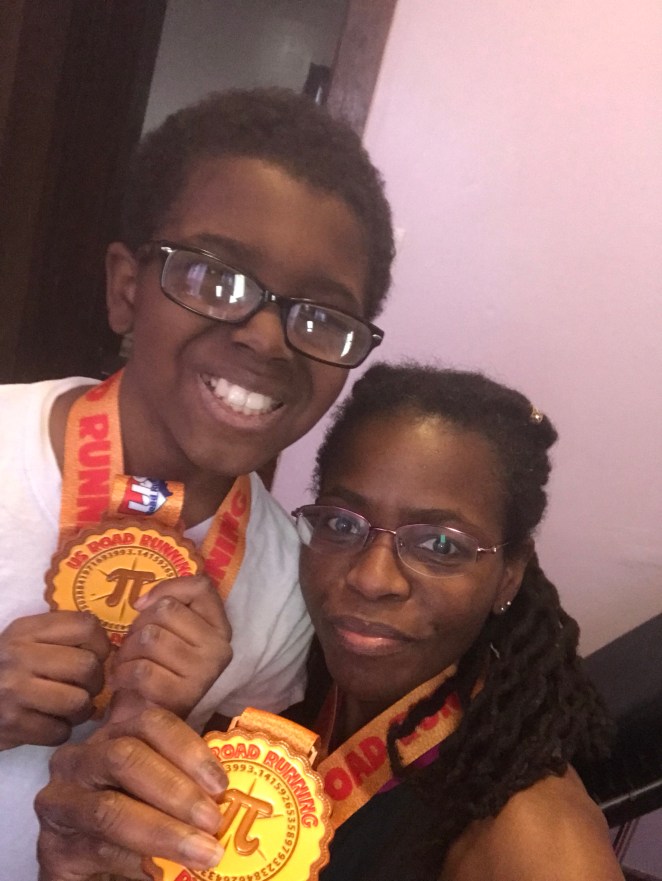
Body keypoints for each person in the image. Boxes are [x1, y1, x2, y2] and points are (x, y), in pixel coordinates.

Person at [0, 87, 394, 878]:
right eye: (216, 278)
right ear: (126, 289)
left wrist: (189, 732)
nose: (267, 338)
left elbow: (208, 843)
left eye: (321, 318)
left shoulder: (290, 591)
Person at [35, 363, 624, 881]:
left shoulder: (535, 843)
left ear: (509, 575)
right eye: (342, 524)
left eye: (440, 544)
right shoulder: (280, 675)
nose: (371, 578)